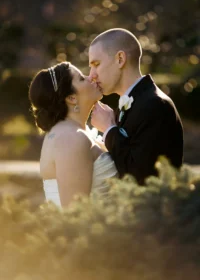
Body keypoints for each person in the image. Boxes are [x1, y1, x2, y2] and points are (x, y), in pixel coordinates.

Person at [89, 28, 183, 185]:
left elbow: (141, 177)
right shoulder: (133, 103)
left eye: (96, 64)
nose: (92, 74)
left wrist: (109, 129)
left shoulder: (155, 105)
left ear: (120, 59)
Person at [29, 62, 118, 207]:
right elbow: (74, 214)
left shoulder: (75, 132)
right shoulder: (71, 138)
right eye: (82, 78)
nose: (91, 78)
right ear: (71, 98)